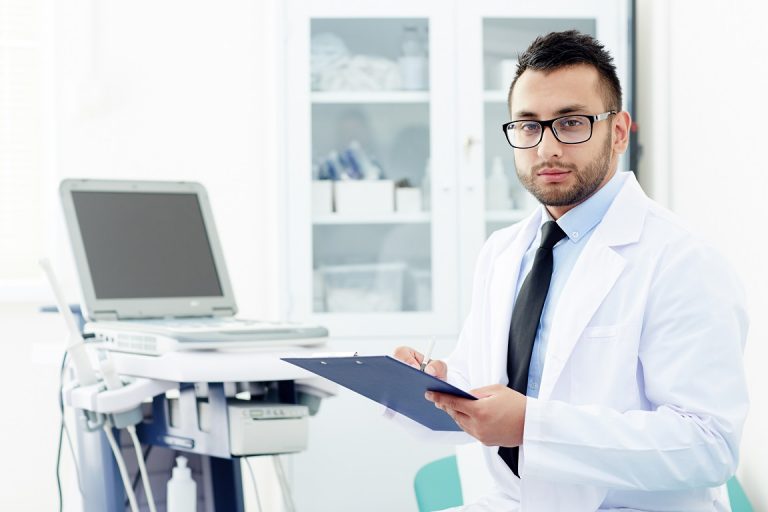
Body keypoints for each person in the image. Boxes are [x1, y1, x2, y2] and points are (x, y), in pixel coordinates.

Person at [394, 30, 749, 511]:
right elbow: (487, 391)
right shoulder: (502, 253)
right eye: (528, 126)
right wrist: (431, 383)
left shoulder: (682, 261)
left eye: (571, 123)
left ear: (619, 131)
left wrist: (531, 426)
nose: (546, 149)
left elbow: (709, 446)